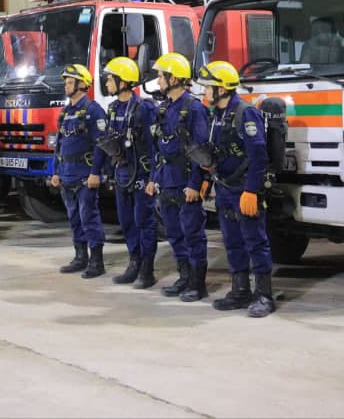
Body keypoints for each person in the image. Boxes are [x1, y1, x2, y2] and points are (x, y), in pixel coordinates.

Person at [195, 61, 276, 317]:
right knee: (232, 242)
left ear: (222, 89)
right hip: (225, 187)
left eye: (208, 87)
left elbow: (258, 155)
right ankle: (240, 290)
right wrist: (208, 178)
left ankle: (264, 295)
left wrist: (252, 191)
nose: (205, 92)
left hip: (244, 189)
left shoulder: (245, 113)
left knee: (255, 242)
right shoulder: (217, 115)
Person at [147, 52, 212, 302]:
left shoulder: (194, 108)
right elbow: (159, 149)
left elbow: (200, 149)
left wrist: (196, 184)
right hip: (167, 181)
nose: (158, 81)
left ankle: (197, 283)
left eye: (161, 76)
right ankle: (184, 276)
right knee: (174, 233)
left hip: (186, 182)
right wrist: (154, 178)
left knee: (193, 233)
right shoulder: (166, 108)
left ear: (175, 78)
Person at [99, 57, 159, 288]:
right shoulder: (113, 109)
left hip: (141, 176)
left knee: (144, 222)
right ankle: (134, 262)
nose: (106, 83)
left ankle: (147, 269)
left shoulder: (144, 109)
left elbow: (155, 146)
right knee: (126, 222)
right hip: (122, 174)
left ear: (123, 82)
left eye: (110, 79)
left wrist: (153, 177)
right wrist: (107, 172)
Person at [50, 64, 109, 278]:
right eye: (66, 82)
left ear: (82, 84)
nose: (66, 86)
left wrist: (96, 173)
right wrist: (55, 171)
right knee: (74, 218)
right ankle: (80, 257)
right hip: (66, 174)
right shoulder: (66, 112)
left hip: (85, 176)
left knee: (89, 217)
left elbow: (101, 144)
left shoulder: (93, 111)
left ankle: (96, 261)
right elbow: (60, 144)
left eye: (69, 82)